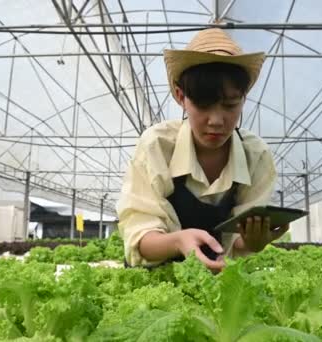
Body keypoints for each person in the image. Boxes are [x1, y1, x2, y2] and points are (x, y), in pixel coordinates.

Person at [116, 28, 289, 272]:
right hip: (153, 283)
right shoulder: (157, 146)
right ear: (180, 96)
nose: (217, 120)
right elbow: (140, 240)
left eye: (230, 105)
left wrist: (254, 242)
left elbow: (237, 244)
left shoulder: (255, 156)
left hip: (213, 283)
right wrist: (178, 241)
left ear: (244, 98)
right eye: (203, 104)